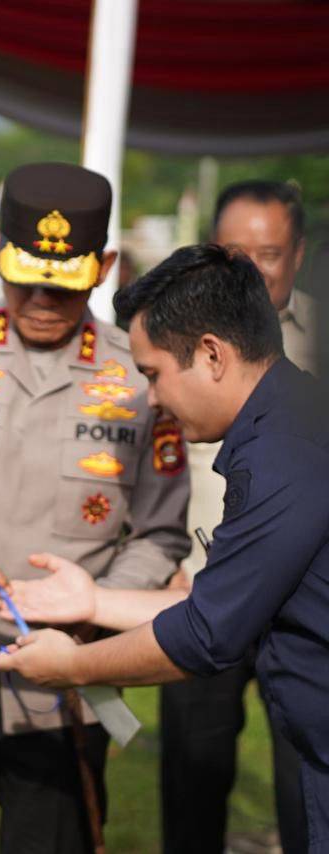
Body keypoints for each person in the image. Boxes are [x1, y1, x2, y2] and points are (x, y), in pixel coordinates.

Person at [0, 243, 329, 852]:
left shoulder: (285, 455)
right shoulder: (288, 426)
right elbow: (230, 598)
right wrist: (93, 600)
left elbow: (205, 636)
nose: (151, 399)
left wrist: (71, 668)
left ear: (210, 355)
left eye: (152, 374)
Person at [0, 162, 192, 854]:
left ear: (104, 267)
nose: (40, 298)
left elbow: (160, 535)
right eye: (26, 277)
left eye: (61, 285)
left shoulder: (142, 378)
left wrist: (92, 605)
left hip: (59, 672)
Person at [158, 179, 316, 854]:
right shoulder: (170, 348)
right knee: (192, 795)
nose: (251, 266)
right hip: (195, 591)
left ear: (299, 256)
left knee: (304, 791)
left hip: (303, 615)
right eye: (232, 250)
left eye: (269, 251)